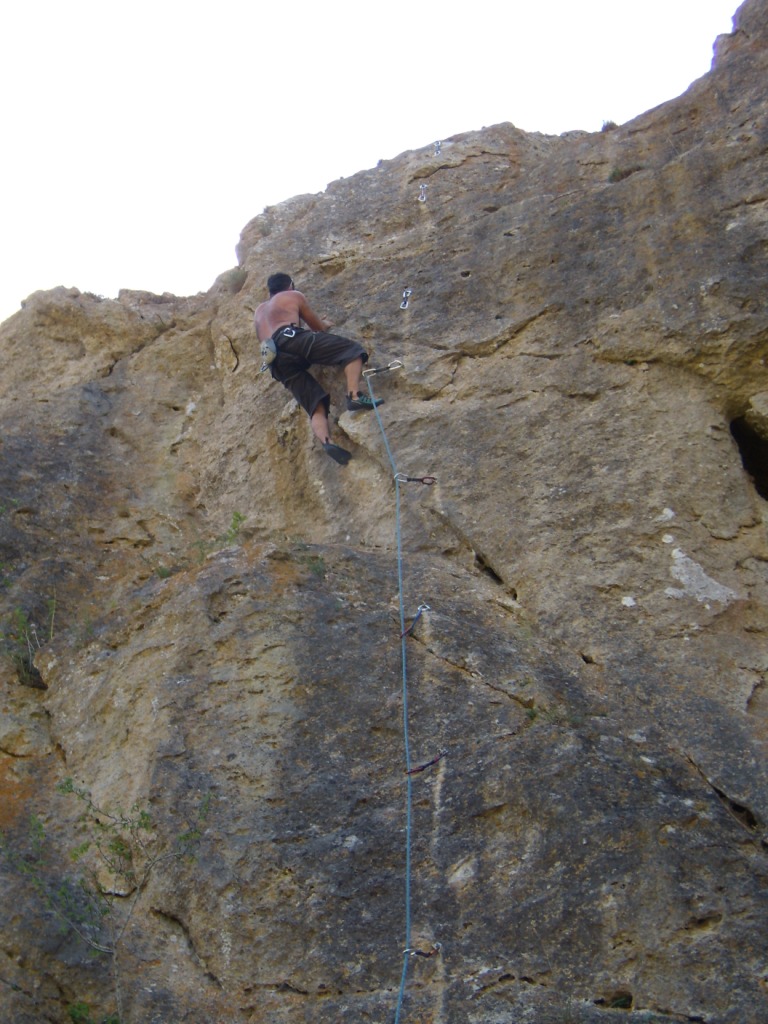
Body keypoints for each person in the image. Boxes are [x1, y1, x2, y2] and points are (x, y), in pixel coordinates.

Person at [254, 273, 382, 465]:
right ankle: (354, 396)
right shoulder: (293, 295)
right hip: (291, 339)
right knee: (352, 351)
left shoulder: (259, 311)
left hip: (273, 359)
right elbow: (317, 327)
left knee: (314, 403)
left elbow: (268, 335)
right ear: (290, 285)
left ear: (270, 291)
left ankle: (327, 441)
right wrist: (325, 325)